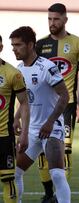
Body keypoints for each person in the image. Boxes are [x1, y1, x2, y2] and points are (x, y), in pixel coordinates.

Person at [35, 3, 79, 202]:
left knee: (64, 148)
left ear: (65, 19)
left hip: (68, 104)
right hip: (43, 106)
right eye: (49, 19)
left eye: (56, 19)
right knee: (41, 148)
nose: (52, 23)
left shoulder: (78, 43)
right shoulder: (40, 45)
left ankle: (60, 194)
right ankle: (48, 192)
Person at [10, 26, 70, 203]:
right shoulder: (18, 69)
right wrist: (16, 118)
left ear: (30, 45)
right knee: (14, 174)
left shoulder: (47, 67)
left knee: (57, 175)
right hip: (32, 130)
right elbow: (25, 100)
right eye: (12, 45)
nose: (14, 49)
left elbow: (64, 96)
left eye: (18, 45)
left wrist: (50, 122)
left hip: (51, 128)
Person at [0, 35, 30, 203]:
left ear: (1, 47)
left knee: (8, 179)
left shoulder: (12, 74)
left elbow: (24, 104)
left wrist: (24, 133)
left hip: (4, 136)